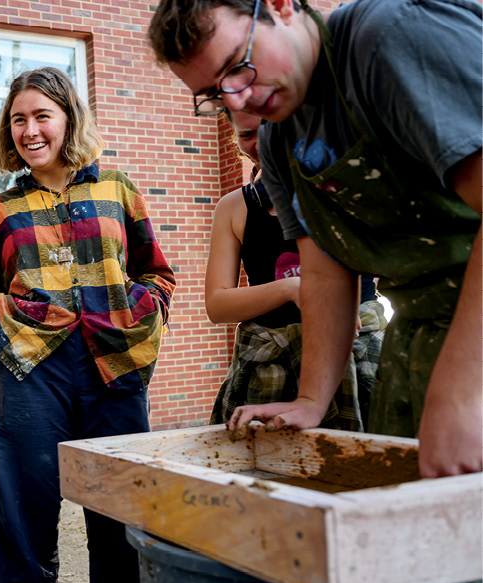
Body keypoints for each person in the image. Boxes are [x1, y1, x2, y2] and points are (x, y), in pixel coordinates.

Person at [149, 0, 482, 477]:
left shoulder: (390, 38)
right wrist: (309, 400)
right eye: (214, 94)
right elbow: (324, 273)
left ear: (282, 6)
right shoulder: (279, 143)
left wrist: (464, 390)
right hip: (420, 340)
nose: (237, 101)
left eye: (237, 68)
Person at [0, 67, 175, 583]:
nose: (30, 130)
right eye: (18, 120)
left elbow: (158, 272)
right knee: (28, 503)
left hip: (114, 366)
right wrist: (22, 318)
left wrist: (140, 309)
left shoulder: (118, 187)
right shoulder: (2, 209)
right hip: (33, 372)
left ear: (68, 119)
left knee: (118, 500)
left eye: (41, 116)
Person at [207, 110, 385, 429]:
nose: (262, 142)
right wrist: (294, 290)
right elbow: (217, 305)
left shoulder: (344, 188)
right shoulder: (233, 208)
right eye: (246, 134)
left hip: (355, 359)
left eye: (270, 128)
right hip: (268, 367)